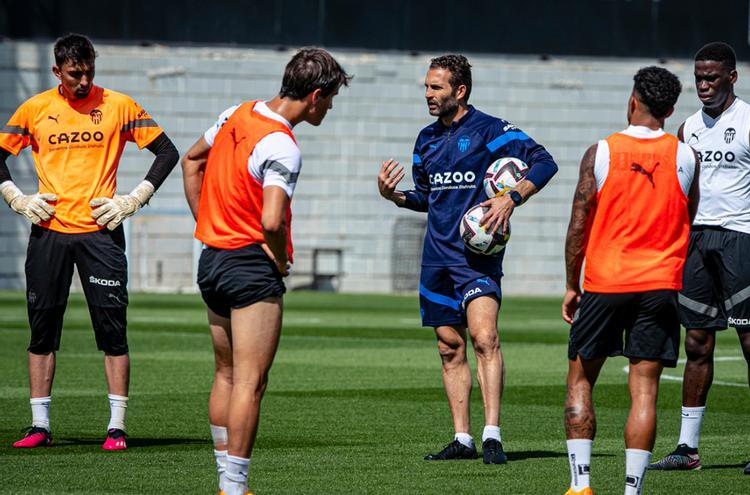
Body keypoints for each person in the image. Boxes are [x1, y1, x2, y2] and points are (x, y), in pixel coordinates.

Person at [181, 48, 350, 495]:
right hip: (250, 267)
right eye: (330, 99)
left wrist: (207, 223)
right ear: (314, 96)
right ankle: (235, 488)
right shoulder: (282, 145)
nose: (330, 107)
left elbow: (191, 161)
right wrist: (278, 258)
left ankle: (225, 481)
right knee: (251, 383)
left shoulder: (235, 114)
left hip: (212, 260)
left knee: (226, 374)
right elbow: (272, 220)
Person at [0, 33, 178, 451]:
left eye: (89, 72)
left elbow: (166, 152)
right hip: (49, 231)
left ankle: (116, 427)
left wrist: (133, 199)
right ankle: (39, 426)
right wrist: (17, 198)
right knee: (42, 331)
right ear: (57, 71)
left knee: (113, 332)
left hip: (101, 232)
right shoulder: (35, 108)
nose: (83, 81)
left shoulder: (118, 105)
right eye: (75, 74)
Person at [377, 54, 557, 464]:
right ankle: (463, 438)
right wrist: (394, 196)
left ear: (459, 90)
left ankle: (492, 434)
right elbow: (427, 198)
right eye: (426, 86)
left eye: (435, 87)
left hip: (476, 259)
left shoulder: (491, 131)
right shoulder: (425, 139)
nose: (427, 94)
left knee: (484, 338)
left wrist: (511, 198)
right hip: (435, 259)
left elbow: (545, 162)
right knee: (448, 348)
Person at [649, 41, 750, 475]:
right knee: (696, 343)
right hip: (697, 242)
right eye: (699, 78)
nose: (704, 86)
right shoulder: (687, 128)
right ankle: (687, 449)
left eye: (712, 78)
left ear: (732, 76)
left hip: (740, 243)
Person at [562, 66, 698, 495]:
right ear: (671, 109)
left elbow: (578, 223)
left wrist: (572, 283)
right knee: (644, 392)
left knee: (581, 380)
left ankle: (581, 486)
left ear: (632, 100)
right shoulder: (685, 155)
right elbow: (688, 216)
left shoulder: (601, 151)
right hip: (660, 284)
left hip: (605, 282)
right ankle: (632, 491)